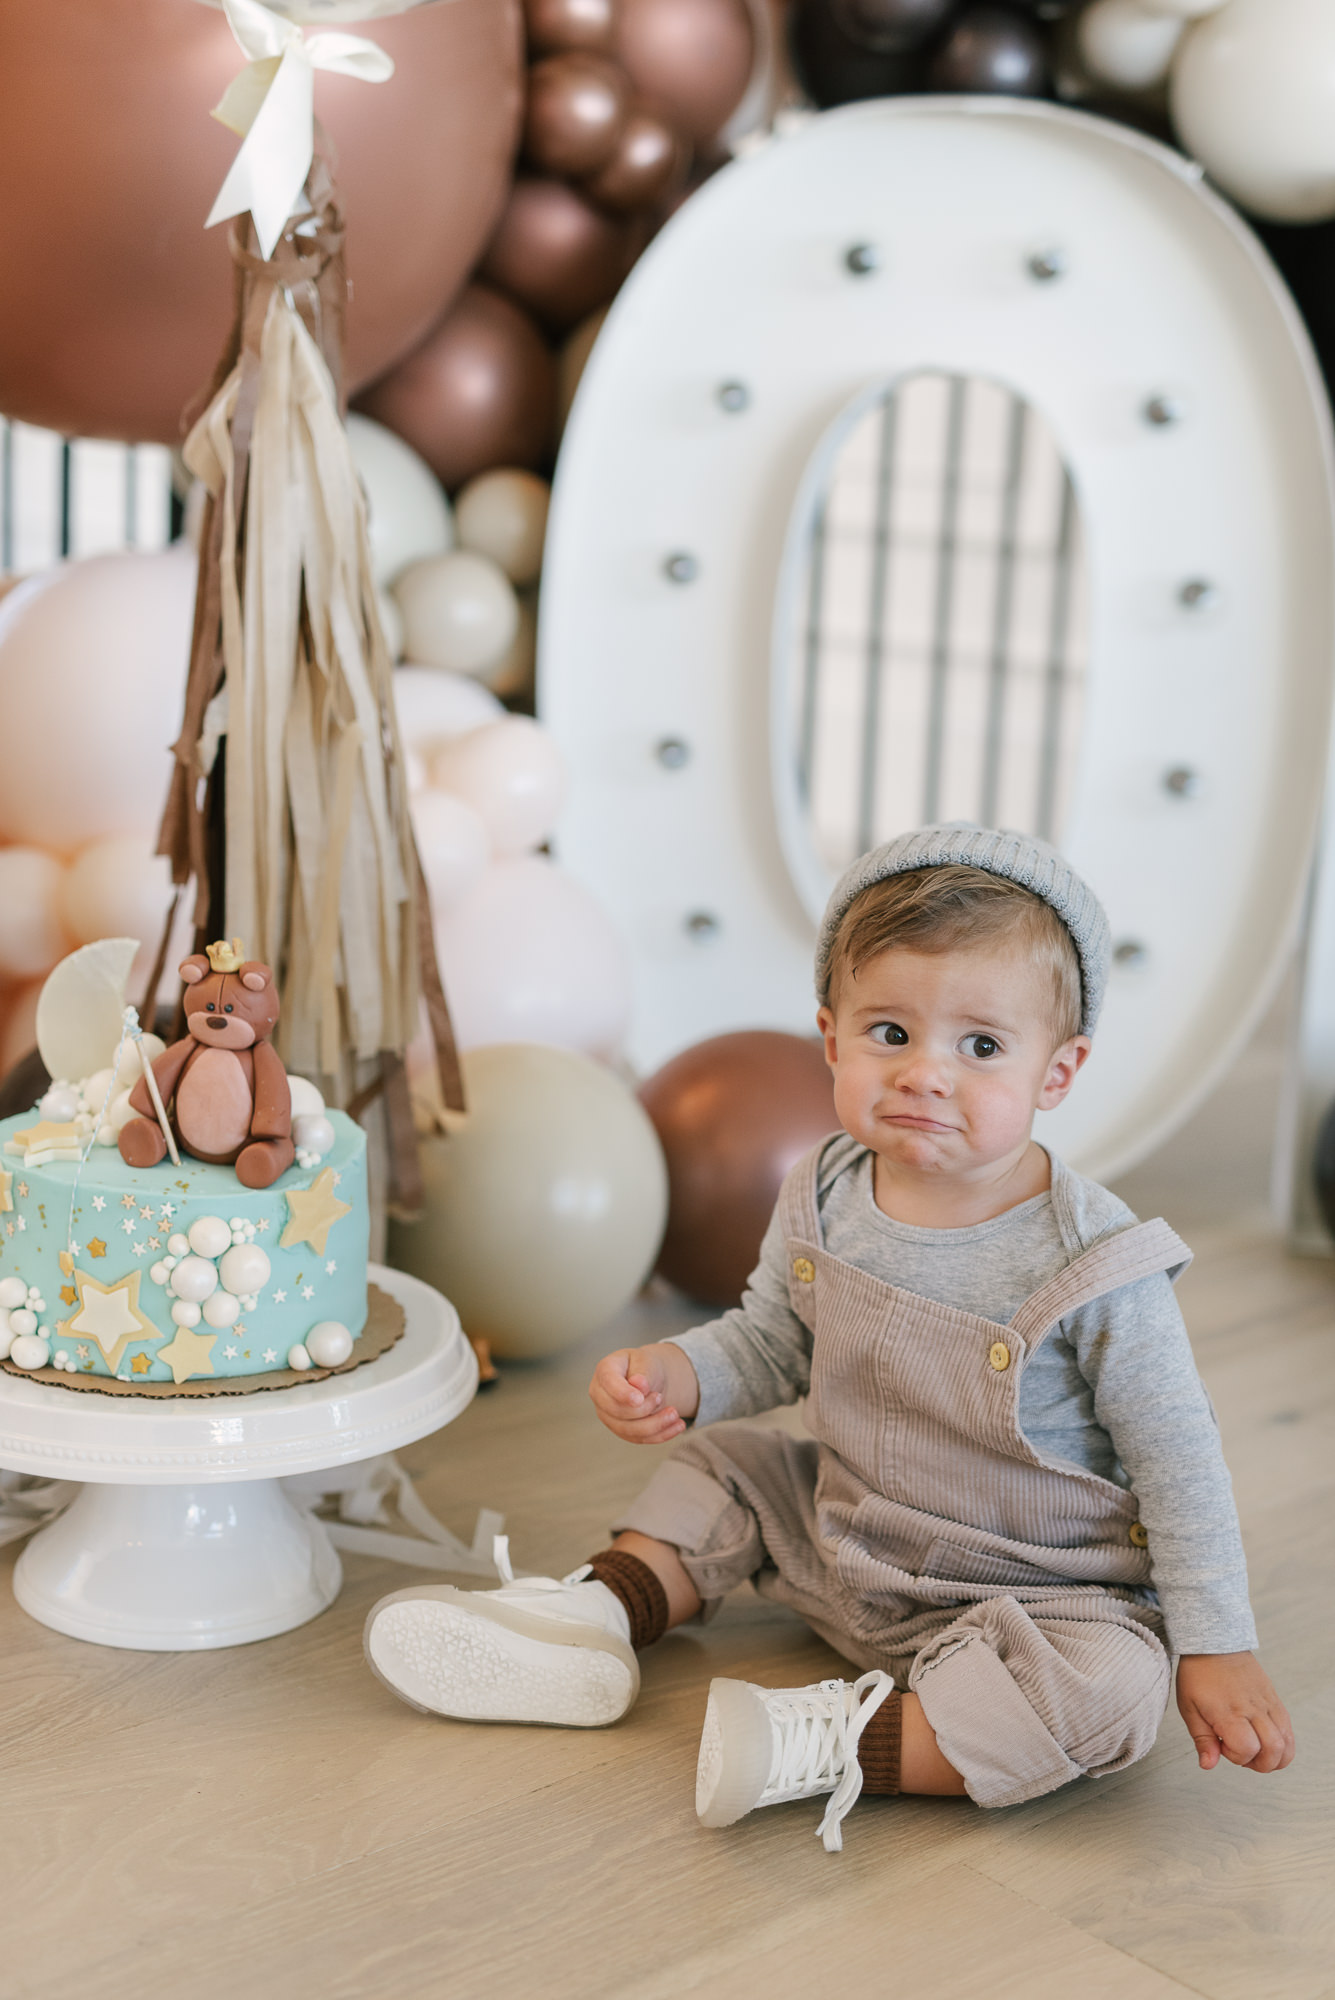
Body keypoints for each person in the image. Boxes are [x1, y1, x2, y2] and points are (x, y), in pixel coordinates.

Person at [363, 825, 1295, 1850]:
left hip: (1036, 1588)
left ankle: (832, 1740)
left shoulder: (1095, 1261)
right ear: (831, 1036)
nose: (926, 1074)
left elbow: (1180, 1461)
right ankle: (598, 1616)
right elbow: (772, 1340)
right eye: (891, 1032)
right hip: (850, 1531)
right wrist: (683, 1370)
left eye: (980, 1046)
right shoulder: (826, 1189)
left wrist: (1216, 1640)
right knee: (734, 1461)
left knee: (1117, 1690)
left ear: (1058, 1072)